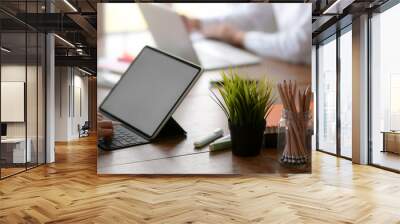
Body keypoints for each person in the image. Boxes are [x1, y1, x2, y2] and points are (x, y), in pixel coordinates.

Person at [182, 3, 311, 64]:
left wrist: (239, 37)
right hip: (292, 66)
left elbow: (297, 45)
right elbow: (254, 17)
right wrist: (198, 23)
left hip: (310, 71)